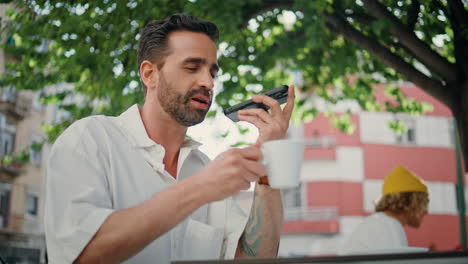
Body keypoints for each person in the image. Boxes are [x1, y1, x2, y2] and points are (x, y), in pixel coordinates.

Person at [44, 14, 295, 263]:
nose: (208, 82)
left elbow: (253, 258)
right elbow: (81, 255)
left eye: (213, 72)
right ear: (149, 74)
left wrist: (268, 161)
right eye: (192, 67)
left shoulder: (205, 169)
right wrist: (200, 188)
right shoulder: (90, 140)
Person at [340, 165, 429, 254]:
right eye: (424, 203)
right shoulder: (388, 226)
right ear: (410, 202)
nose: (426, 211)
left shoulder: (381, 222)